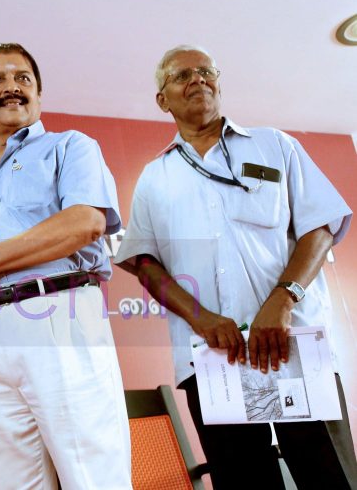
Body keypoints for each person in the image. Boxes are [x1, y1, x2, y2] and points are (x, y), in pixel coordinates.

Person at [115, 44, 357, 489]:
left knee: (331, 475)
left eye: (207, 71)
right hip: (212, 359)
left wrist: (283, 302)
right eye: (183, 75)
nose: (198, 80)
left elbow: (320, 227)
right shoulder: (155, 177)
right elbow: (144, 263)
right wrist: (201, 319)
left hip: (294, 343)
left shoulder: (274, 145)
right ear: (162, 99)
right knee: (243, 480)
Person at [0, 43, 131, 490]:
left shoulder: (72, 146)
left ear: (39, 94)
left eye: (23, 79)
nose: (12, 87)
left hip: (59, 311)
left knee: (93, 476)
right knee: (7, 482)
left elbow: (86, 223)